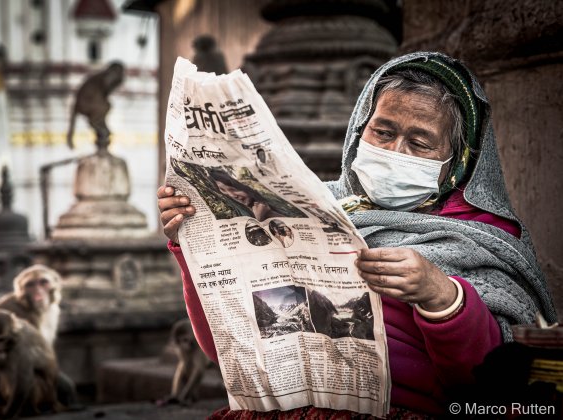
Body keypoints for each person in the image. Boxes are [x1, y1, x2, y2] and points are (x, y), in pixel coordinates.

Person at [157, 52, 556, 418]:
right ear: (358, 133)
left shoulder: (483, 240)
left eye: (419, 143)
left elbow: (490, 384)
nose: (396, 151)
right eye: (382, 132)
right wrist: (189, 243)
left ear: (457, 164)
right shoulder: (312, 207)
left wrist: (442, 297)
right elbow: (224, 352)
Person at [209, 168, 284, 222]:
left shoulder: (266, 210)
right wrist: (257, 217)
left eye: (234, 189)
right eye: (223, 192)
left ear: (245, 188)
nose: (232, 195)